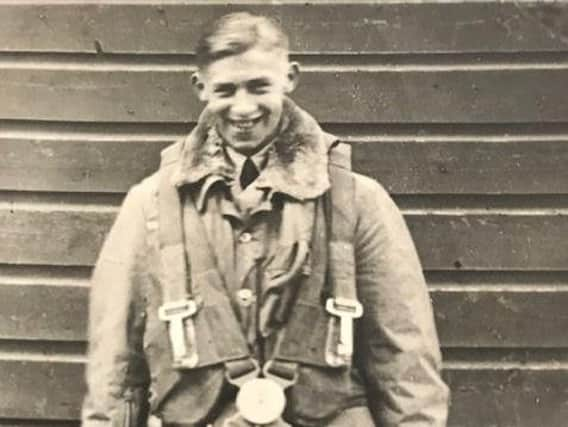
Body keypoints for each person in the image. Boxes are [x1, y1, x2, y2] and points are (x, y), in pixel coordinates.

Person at [82, 12, 449, 427]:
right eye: (225, 90)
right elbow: (115, 365)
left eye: (259, 87)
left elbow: (406, 362)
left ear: (290, 78)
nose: (243, 108)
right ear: (200, 88)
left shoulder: (358, 201)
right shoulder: (149, 204)